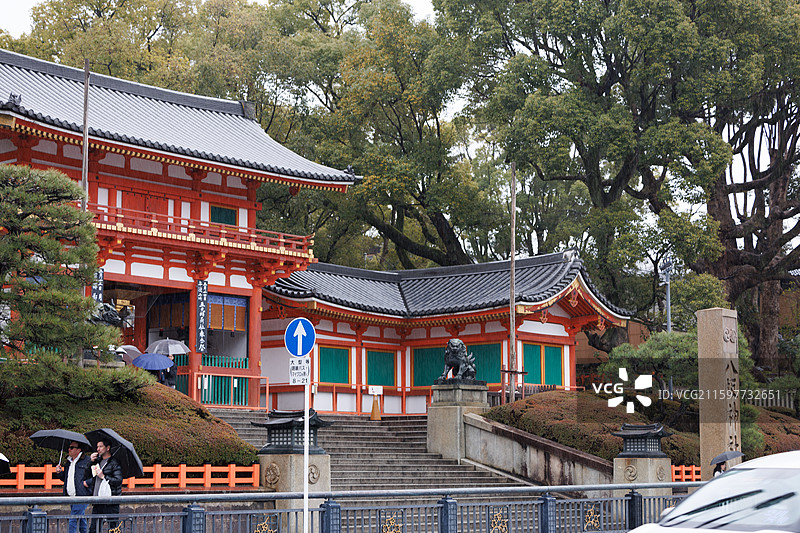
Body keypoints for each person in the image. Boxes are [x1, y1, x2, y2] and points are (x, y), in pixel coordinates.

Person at [84, 438, 123, 533]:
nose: (98, 449)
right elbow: (86, 475)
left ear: (108, 448)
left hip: (111, 501)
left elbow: (118, 480)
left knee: (113, 528)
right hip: (98, 500)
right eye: (97, 447)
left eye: (101, 446)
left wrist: (104, 476)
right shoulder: (97, 461)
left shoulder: (114, 462)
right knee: (93, 529)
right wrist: (90, 461)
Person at [55, 441, 92, 533]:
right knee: (81, 517)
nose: (69, 449)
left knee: (73, 517)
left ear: (78, 450)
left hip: (82, 495)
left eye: (72, 447)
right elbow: (66, 478)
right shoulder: (68, 462)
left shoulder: (88, 461)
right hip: (72, 495)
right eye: (69, 447)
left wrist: (87, 483)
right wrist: (59, 473)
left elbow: (95, 476)